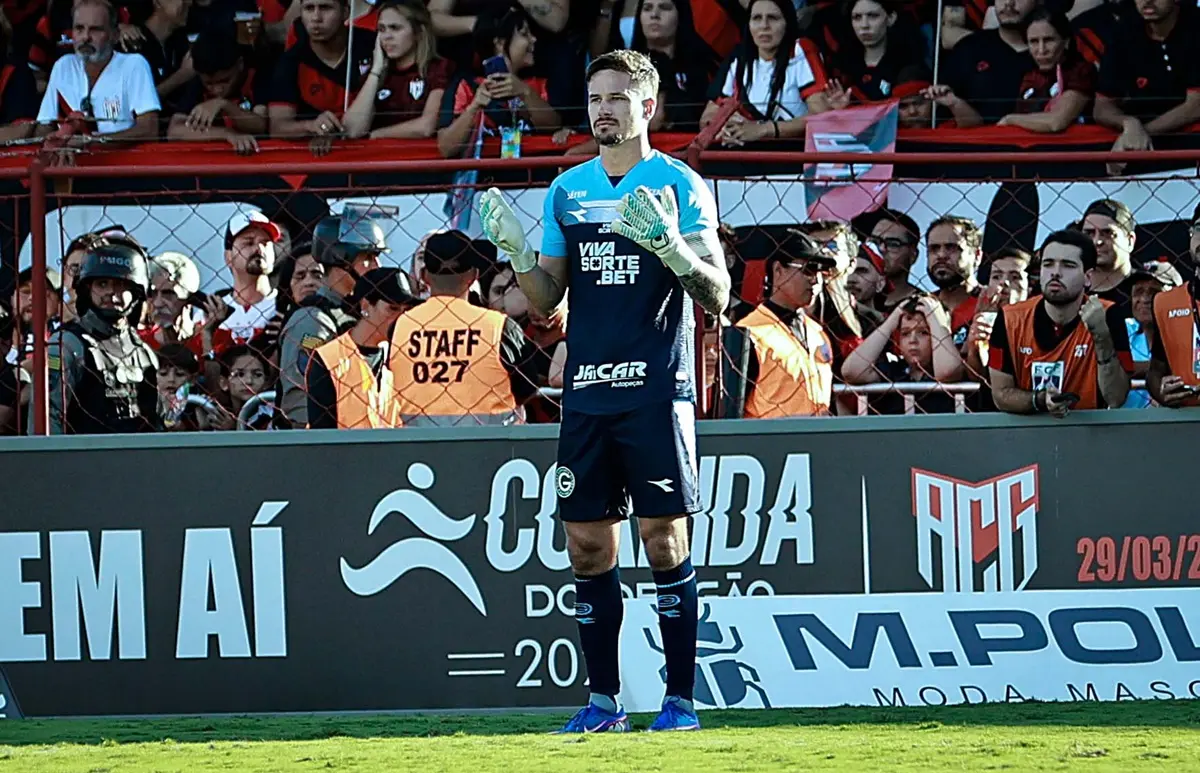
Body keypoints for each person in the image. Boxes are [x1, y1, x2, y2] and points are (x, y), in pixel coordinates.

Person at [479, 49, 730, 733]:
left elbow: (719, 292)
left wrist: (673, 248)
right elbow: (547, 299)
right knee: (587, 546)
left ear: (647, 106)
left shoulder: (678, 185)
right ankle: (603, 703)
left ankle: (680, 701)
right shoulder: (567, 190)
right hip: (585, 392)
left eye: (618, 97)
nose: (603, 110)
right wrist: (519, 254)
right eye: (595, 99)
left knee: (663, 542)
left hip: (657, 390)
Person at [389, 231, 538, 426]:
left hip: (414, 446)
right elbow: (528, 386)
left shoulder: (399, 327)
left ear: (425, 276)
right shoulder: (498, 327)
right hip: (491, 445)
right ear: (473, 276)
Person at [988, 229, 1132, 417]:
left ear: (1088, 277)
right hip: (1026, 436)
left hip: (1089, 434)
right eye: (1048, 264)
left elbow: (1115, 397)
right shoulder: (1009, 318)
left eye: (1068, 266)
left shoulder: (1108, 314)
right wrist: (1040, 400)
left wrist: (1101, 336)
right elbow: (1000, 395)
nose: (1055, 273)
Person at [275, 209, 388, 428]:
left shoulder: (359, 313)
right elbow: (300, 405)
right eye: (368, 258)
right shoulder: (313, 321)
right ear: (340, 259)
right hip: (327, 448)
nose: (377, 266)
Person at [38, 234, 160, 434]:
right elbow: (48, 415)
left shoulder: (143, 353)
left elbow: (156, 423)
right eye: (102, 284)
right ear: (87, 288)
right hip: (81, 460)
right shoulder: (67, 345)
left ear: (136, 291)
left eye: (121, 285)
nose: (111, 293)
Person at [721, 230, 835, 419]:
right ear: (778, 270)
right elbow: (730, 413)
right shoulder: (749, 332)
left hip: (819, 441)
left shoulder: (818, 333)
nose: (816, 279)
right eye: (809, 269)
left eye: (821, 271)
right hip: (768, 443)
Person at [700, 0, 835, 145]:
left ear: (787, 22)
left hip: (790, 153)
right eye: (757, 18)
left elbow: (820, 115)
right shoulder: (739, 58)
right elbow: (708, 117)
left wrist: (763, 130)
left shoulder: (800, 50)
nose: (764, 26)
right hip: (743, 151)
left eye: (773, 18)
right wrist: (725, 127)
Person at [35, 0, 160, 143]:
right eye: (79, 29)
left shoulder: (134, 65)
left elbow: (149, 129)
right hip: (70, 163)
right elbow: (44, 126)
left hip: (122, 162)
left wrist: (94, 143)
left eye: (95, 30)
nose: (86, 37)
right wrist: (53, 140)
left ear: (115, 35)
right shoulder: (63, 66)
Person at [306, 268, 416, 429]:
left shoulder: (400, 356)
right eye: (393, 308)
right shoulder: (329, 358)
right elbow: (322, 433)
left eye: (406, 310)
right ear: (366, 305)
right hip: (342, 452)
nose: (400, 317)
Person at [343, 0, 452, 140]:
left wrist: (377, 135)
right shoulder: (375, 74)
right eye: (382, 29)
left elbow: (426, 127)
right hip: (377, 158)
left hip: (418, 158)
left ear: (419, 32)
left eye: (395, 28)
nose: (387, 36)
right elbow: (352, 130)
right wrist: (376, 71)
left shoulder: (439, 69)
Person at [842, 294, 966, 414]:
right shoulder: (895, 371)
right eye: (905, 333)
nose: (913, 340)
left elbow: (947, 372)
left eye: (923, 332)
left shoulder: (951, 364)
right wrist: (890, 323)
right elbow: (851, 371)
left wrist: (937, 321)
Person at [166, 25, 268, 154]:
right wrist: (226, 134)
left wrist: (224, 105)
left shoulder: (256, 77)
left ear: (240, 64)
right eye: (209, 84)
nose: (217, 90)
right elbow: (174, 131)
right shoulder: (197, 83)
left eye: (225, 81)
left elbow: (261, 125)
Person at [996, 7, 1094, 132]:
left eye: (1049, 40)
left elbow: (1055, 122)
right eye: (1034, 42)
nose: (1041, 50)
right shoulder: (1028, 75)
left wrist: (1010, 120)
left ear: (1066, 42)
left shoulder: (1081, 72)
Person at [1147, 202, 1200, 408]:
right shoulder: (1165, 302)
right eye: (1199, 228)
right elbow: (1156, 370)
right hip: (1183, 426)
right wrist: (1162, 390)